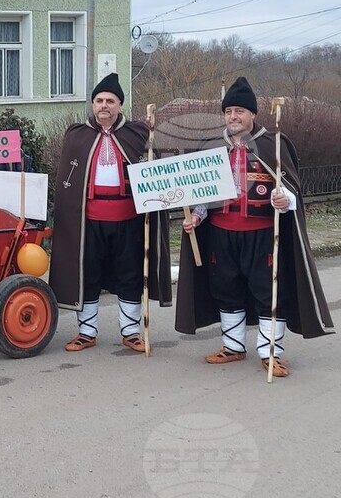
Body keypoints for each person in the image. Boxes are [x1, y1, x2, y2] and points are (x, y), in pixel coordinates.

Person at [176, 76, 333, 377]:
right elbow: (203, 192)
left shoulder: (273, 144)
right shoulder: (212, 146)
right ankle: (233, 346)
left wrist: (283, 198)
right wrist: (196, 216)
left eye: (239, 111)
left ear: (252, 114)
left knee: (268, 291)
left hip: (263, 234)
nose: (233, 116)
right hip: (222, 233)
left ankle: (270, 353)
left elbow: (293, 191)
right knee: (227, 288)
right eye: (228, 111)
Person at [49, 73, 171, 353]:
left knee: (129, 274)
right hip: (89, 220)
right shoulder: (77, 135)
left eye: (110, 101)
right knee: (88, 274)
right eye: (99, 100)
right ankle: (87, 332)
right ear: (93, 104)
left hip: (128, 219)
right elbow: (68, 182)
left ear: (120, 105)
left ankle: (130, 332)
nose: (104, 105)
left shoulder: (139, 133)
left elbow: (156, 173)